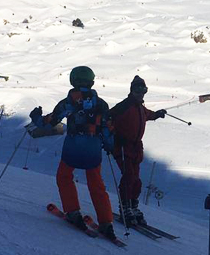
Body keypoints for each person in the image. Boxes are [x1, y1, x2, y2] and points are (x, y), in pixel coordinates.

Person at [31, 66, 117, 240]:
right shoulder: (101, 104)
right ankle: (106, 222)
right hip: (93, 148)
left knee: (64, 177)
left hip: (72, 147)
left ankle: (72, 211)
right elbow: (108, 128)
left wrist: (36, 117)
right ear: (92, 82)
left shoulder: (69, 102)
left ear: (73, 81)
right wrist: (109, 145)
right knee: (96, 183)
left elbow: (49, 122)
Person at [109, 75, 165, 226]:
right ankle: (125, 207)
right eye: (137, 89)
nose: (141, 93)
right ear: (131, 90)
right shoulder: (125, 106)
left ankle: (133, 206)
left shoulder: (139, 107)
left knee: (136, 180)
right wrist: (111, 137)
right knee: (128, 176)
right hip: (122, 146)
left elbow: (147, 115)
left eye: (144, 90)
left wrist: (157, 114)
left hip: (135, 148)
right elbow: (108, 119)